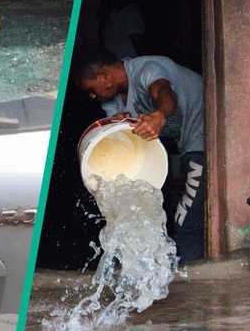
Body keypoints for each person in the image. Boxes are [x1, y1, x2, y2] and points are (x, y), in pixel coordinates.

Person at [74, 48, 206, 263]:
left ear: (105, 77)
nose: (91, 96)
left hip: (203, 134)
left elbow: (164, 93)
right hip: (181, 145)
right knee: (174, 213)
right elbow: (114, 135)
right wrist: (121, 122)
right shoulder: (112, 101)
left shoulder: (148, 69)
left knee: (186, 220)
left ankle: (191, 279)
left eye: (91, 89)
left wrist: (160, 115)